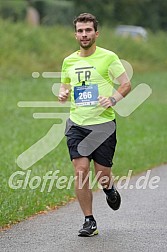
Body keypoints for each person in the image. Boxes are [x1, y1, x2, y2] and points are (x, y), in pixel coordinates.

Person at [59, 13, 131, 237]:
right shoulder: (69, 61)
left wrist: (112, 100)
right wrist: (63, 93)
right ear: (75, 34)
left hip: (103, 125)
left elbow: (126, 85)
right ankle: (89, 221)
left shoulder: (109, 57)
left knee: (102, 175)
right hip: (77, 124)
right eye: (80, 31)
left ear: (96, 33)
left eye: (88, 30)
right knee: (80, 171)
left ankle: (109, 189)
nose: (84, 35)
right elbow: (65, 87)